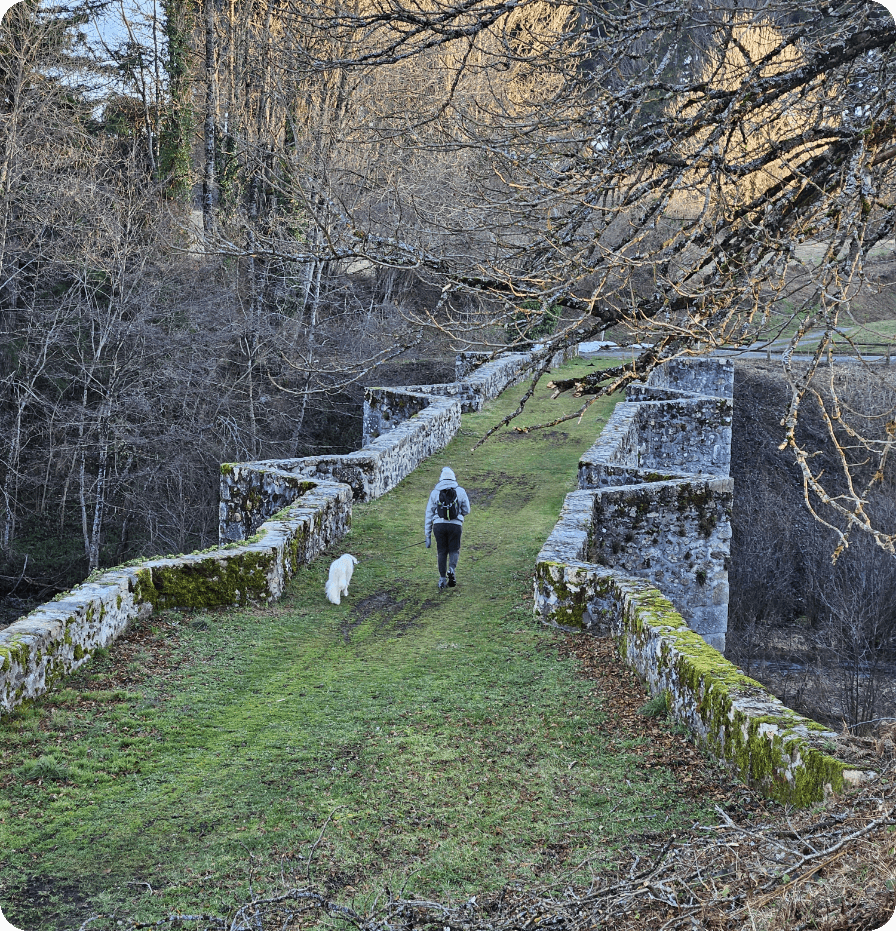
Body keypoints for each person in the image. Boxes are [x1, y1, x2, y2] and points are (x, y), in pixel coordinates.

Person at [424, 466, 471, 591]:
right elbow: (467, 510)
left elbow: (429, 514)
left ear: (441, 478)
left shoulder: (435, 493)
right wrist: (458, 515)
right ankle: (452, 569)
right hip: (455, 526)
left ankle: (442, 578)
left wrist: (427, 535)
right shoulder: (460, 491)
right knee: (454, 550)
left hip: (439, 526)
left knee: (441, 552)